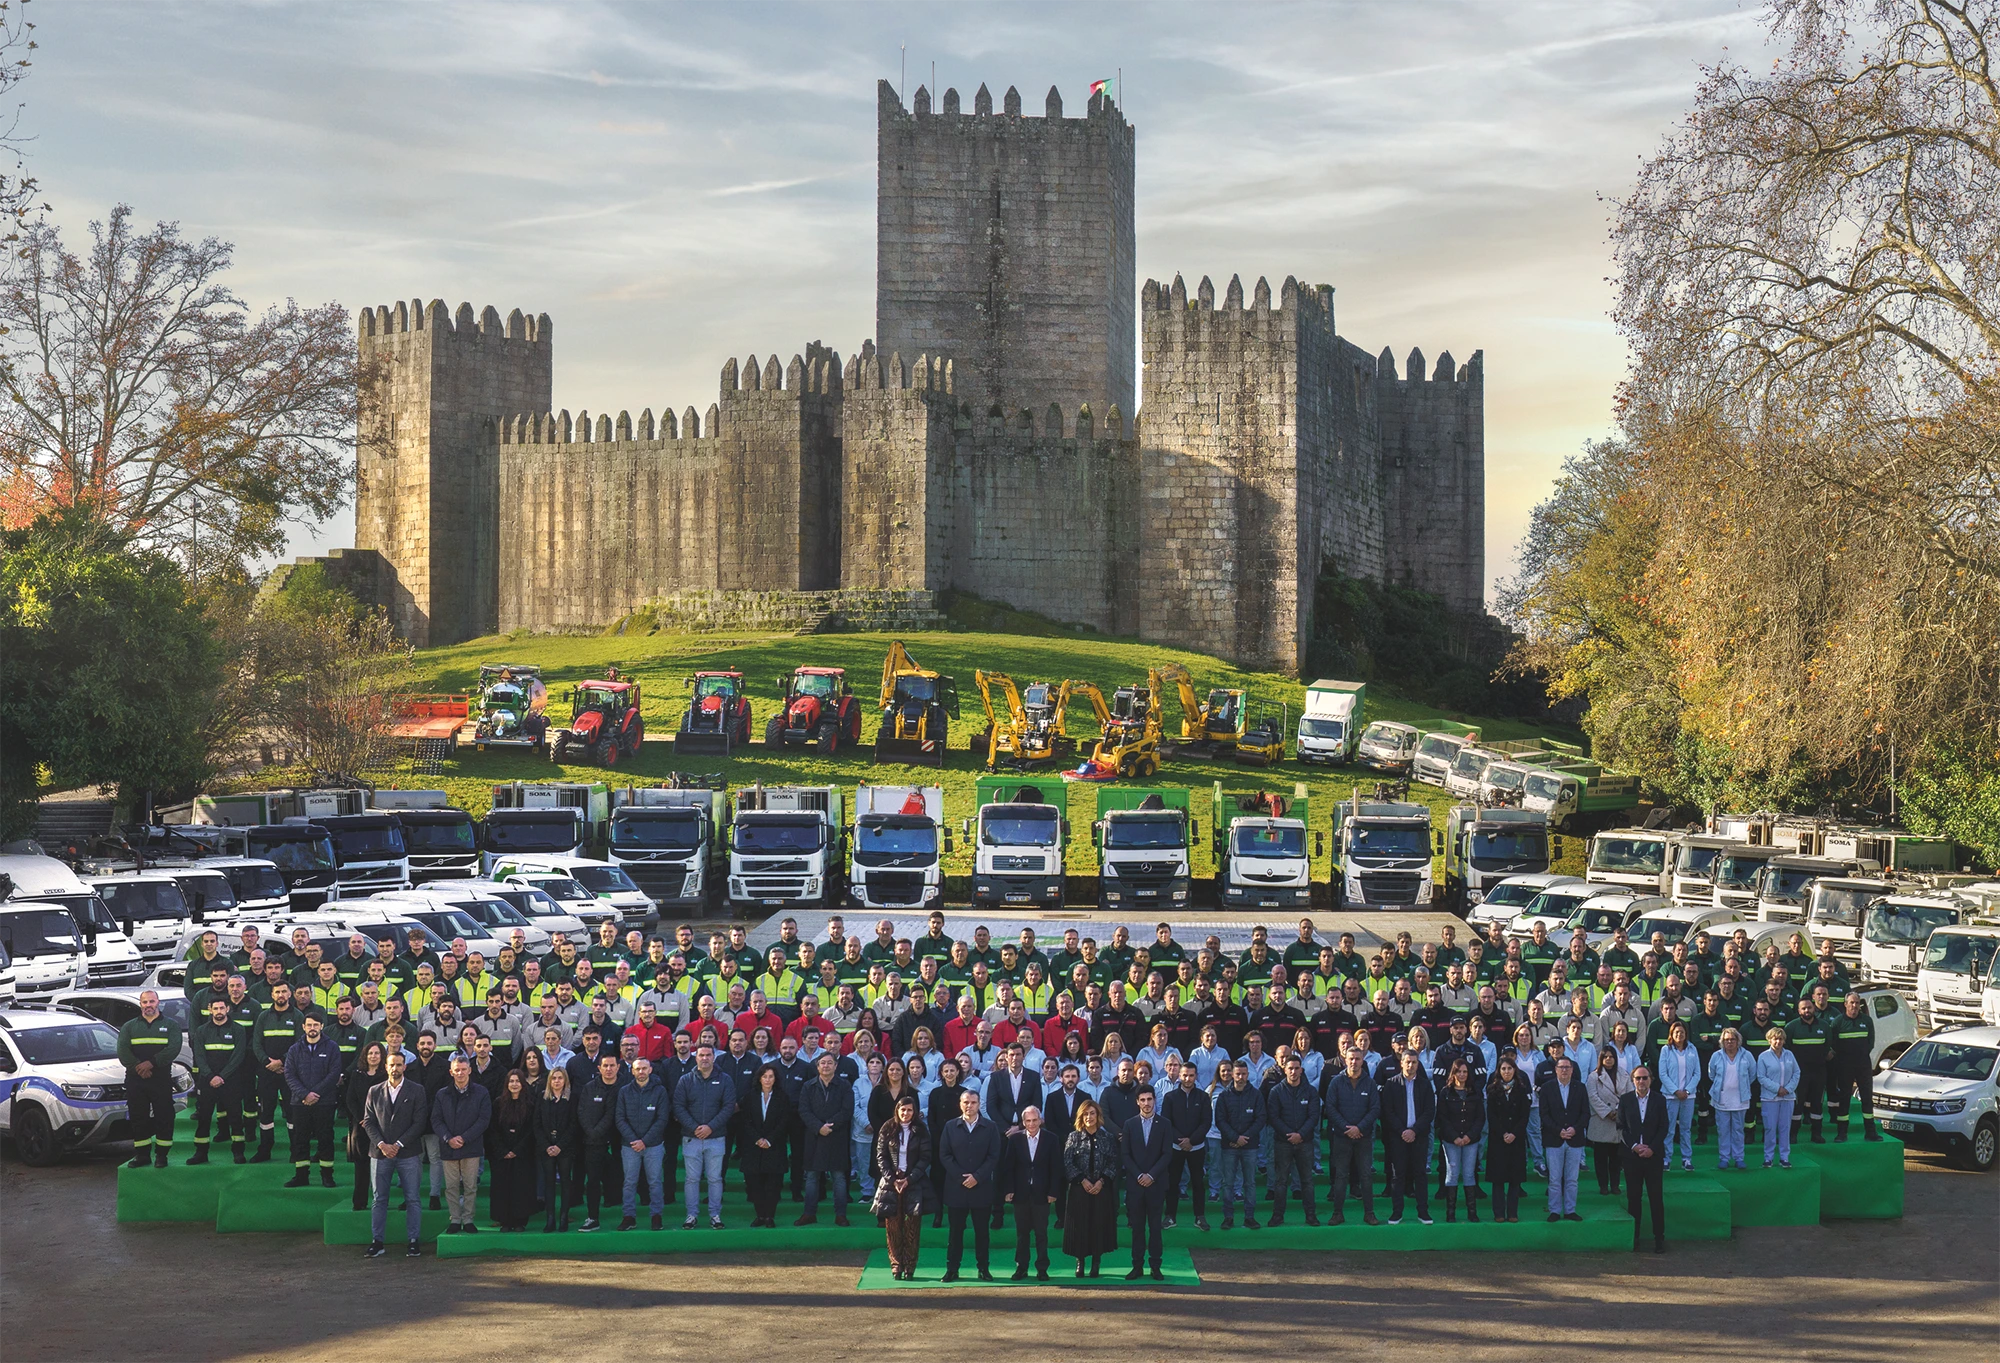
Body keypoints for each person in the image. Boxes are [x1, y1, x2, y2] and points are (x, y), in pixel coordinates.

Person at [363, 1050, 430, 1258]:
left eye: (399, 1065)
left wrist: (398, 1144)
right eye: (392, 1065)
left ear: (405, 1067)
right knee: (379, 1199)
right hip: (380, 1153)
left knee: (412, 1199)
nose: (395, 1069)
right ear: (386, 1067)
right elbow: (368, 1121)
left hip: (408, 1153)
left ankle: (413, 1241)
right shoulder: (374, 1090)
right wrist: (382, 1144)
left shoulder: (417, 1090)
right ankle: (377, 1241)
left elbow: (419, 1122)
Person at [115, 989, 183, 1169]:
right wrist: (139, 1067)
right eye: (145, 1002)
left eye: (151, 1002)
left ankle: (162, 1156)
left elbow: (173, 1049)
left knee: (164, 1116)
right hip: (135, 1080)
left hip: (160, 1079)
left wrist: (151, 1064)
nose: (148, 1006)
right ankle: (142, 1155)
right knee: (138, 1118)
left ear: (158, 1002)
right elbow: (123, 1052)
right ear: (140, 1004)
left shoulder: (171, 1025)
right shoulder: (129, 1027)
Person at [671, 1042, 736, 1229]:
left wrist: (710, 1127)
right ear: (696, 1057)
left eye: (708, 1055)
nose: (705, 1058)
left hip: (716, 1138)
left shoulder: (725, 1080)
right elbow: (679, 1106)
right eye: (701, 1055)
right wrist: (695, 1128)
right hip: (691, 1138)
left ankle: (715, 1215)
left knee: (715, 1178)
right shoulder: (685, 1080)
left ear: (714, 1057)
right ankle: (691, 1215)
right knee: (692, 1179)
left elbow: (728, 1107)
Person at [939, 1087, 1002, 1281]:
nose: (969, 1106)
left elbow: (994, 1156)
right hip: (956, 1189)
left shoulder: (990, 1127)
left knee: (982, 1233)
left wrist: (977, 1176)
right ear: (960, 1104)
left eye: (973, 1102)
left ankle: (983, 1268)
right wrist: (961, 1177)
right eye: (966, 1102)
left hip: (981, 1188)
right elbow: (945, 1155)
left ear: (979, 1104)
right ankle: (952, 1269)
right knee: (955, 1233)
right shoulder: (950, 1126)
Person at [431, 1055, 492, 1234]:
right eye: (456, 1070)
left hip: (471, 1147)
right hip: (448, 1147)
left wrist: (464, 1138)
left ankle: (468, 1219)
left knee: (470, 1186)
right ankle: (455, 1219)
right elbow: (436, 1119)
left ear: (470, 1070)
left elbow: (483, 1120)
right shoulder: (442, 1094)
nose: (460, 1073)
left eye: (463, 1069)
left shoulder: (481, 1092)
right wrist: (448, 1138)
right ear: (451, 1072)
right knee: (451, 1187)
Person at [281, 1012, 342, 1188]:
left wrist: (315, 1094)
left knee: (325, 1139)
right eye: (309, 1025)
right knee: (300, 1140)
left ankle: (327, 1176)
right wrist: (304, 1095)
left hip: (325, 1102)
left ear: (322, 1026)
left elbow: (334, 1074)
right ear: (303, 1027)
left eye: (316, 1025)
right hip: (300, 1103)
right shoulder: (294, 1049)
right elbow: (289, 1074)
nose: (312, 1028)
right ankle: (301, 1176)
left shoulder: (332, 1047)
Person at [1061, 1098, 1120, 1277]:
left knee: (1098, 1225)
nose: (1089, 1117)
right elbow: (1068, 1162)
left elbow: (1113, 1162)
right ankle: (1080, 1261)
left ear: (1098, 1115)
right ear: (1081, 1116)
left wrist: (1101, 1181)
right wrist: (1082, 1181)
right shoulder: (1074, 1137)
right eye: (1085, 1114)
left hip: (1101, 1189)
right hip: (1080, 1189)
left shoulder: (1107, 1137)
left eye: (1092, 1113)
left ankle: (1096, 1262)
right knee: (1080, 1226)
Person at [187, 996, 249, 1165]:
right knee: (204, 1117)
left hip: (231, 1081)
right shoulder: (201, 1031)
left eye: (222, 1008)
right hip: (207, 1081)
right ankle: (200, 1153)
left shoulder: (238, 1030)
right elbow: (199, 1056)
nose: (219, 1012)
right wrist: (210, 1076)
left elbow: (239, 1056)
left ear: (227, 1009)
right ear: (210, 1009)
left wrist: (222, 1076)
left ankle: (238, 1152)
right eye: (216, 1008)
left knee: (236, 1118)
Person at [874, 1091, 929, 1279]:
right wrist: (892, 1179)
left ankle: (910, 1266)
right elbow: (881, 1157)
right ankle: (896, 1264)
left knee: (913, 1226)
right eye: (903, 1110)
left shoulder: (921, 1130)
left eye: (909, 1110)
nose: (906, 1113)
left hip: (913, 1182)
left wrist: (909, 1179)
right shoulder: (887, 1128)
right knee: (893, 1226)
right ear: (897, 1110)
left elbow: (925, 1158)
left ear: (915, 1112)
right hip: (891, 1183)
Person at [1322, 1046, 1380, 1226]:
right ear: (1345, 1060)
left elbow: (1375, 1108)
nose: (1354, 1062)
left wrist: (1359, 1127)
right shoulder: (1336, 1082)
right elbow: (1330, 1108)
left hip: (1363, 1137)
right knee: (1340, 1176)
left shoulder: (1370, 1083)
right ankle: (1337, 1213)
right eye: (1351, 1059)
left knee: (1365, 1176)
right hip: (1341, 1136)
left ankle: (1369, 1213)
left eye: (1357, 1058)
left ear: (1363, 1060)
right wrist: (1346, 1128)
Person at [1003, 1103, 1060, 1280]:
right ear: (1023, 1122)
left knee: (1041, 1233)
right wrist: (1009, 1190)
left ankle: (1042, 1268)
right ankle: (1021, 1267)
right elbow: (1008, 1167)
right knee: (1022, 1233)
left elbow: (1056, 1168)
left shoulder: (1051, 1139)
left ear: (1041, 1120)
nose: (1032, 1124)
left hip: (1042, 1194)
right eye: (1028, 1121)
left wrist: (1053, 1191)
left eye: (1035, 1120)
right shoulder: (1015, 1140)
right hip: (1021, 1194)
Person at [796, 1051, 853, 1227]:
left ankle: (841, 1215)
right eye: (823, 1063)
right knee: (812, 1177)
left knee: (839, 1178)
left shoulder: (844, 1086)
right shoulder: (808, 1086)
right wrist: (818, 1127)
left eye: (830, 1063)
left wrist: (830, 1126)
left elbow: (847, 1110)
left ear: (836, 1066)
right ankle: (809, 1213)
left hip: (837, 1136)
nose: (826, 1066)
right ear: (817, 1066)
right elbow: (804, 1110)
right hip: (815, 1136)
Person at [615, 1057, 672, 1231]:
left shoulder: (660, 1091)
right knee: (629, 1182)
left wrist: (644, 1141)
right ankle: (629, 1217)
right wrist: (634, 1140)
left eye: (644, 1068)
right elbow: (620, 1118)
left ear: (650, 1070)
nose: (641, 1072)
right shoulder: (624, 1091)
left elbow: (662, 1119)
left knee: (654, 1181)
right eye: (637, 1069)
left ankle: (656, 1216)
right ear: (632, 1071)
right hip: (629, 1145)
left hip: (653, 1145)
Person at [1264, 1054, 1320, 1227]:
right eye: (1290, 1068)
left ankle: (1311, 1215)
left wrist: (1300, 1135)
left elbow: (1313, 1116)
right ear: (1284, 1069)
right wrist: (1290, 1134)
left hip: (1305, 1142)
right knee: (1280, 1182)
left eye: (1297, 1068)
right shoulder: (1276, 1091)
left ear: (1301, 1070)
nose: (1294, 1072)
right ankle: (1278, 1216)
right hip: (1283, 1142)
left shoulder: (1310, 1091)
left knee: (1307, 1181)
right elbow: (1273, 1116)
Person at [1122, 1085, 1171, 1279]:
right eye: (1142, 1100)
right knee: (1137, 1228)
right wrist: (1139, 1175)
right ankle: (1137, 1265)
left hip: (1156, 1185)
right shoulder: (1129, 1124)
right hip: (1135, 1186)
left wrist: (1151, 1175)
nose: (1146, 1103)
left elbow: (1167, 1154)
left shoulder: (1165, 1124)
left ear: (1154, 1100)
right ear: (1137, 1102)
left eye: (1149, 1099)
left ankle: (1156, 1266)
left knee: (1155, 1227)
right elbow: (1125, 1155)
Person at [1379, 1050, 1434, 1226]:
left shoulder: (1425, 1085)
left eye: (1414, 1062)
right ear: (1401, 1063)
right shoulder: (1391, 1084)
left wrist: (1414, 1131)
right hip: (1398, 1137)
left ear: (1418, 1064)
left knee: (1420, 1174)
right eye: (1408, 1062)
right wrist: (1403, 1130)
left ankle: (1423, 1212)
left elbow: (1429, 1112)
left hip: (1419, 1137)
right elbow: (1388, 1111)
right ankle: (1397, 1212)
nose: (1411, 1065)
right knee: (1398, 1175)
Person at [1618, 1064, 1668, 1253]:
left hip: (1653, 1157)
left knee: (1656, 1198)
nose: (1641, 1081)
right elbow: (1621, 1127)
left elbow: (1664, 1127)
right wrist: (1635, 1147)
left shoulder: (1659, 1100)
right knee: (1634, 1198)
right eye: (1638, 1078)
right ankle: (1635, 1237)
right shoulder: (1625, 1100)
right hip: (1632, 1156)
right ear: (1633, 1081)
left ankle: (1659, 1239)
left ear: (1650, 1080)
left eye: (1644, 1078)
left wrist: (1652, 1149)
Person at [576, 1052, 625, 1231]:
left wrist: (597, 1131)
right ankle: (592, 1218)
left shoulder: (626, 1086)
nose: (609, 1069)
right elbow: (581, 1111)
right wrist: (592, 1132)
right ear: (599, 1068)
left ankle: (627, 1217)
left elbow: (612, 1115)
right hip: (593, 1142)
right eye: (605, 1066)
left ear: (618, 1067)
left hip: (619, 1141)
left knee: (620, 1179)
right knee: (593, 1181)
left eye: (612, 1066)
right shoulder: (589, 1087)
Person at [1161, 1063, 1212, 1231]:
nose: (1187, 1078)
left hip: (1196, 1148)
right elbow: (1166, 1122)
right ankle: (1170, 1216)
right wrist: (1181, 1141)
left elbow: (1206, 1123)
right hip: (1175, 1148)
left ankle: (1199, 1217)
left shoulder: (1203, 1097)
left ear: (1196, 1076)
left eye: (1191, 1075)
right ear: (1179, 1076)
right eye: (1184, 1075)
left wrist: (1192, 1141)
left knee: (1198, 1183)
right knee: (1172, 1182)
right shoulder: (1170, 1097)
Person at [488, 1069, 540, 1232]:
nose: (514, 1084)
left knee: (521, 1187)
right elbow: (493, 1129)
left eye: (517, 1081)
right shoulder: (498, 1103)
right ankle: (505, 1221)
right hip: (502, 1154)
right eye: (511, 1081)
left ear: (523, 1084)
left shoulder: (531, 1104)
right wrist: (504, 1150)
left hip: (523, 1154)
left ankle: (520, 1221)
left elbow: (532, 1129)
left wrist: (518, 1150)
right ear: (507, 1084)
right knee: (502, 1187)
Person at [1214, 1060, 1263, 1230]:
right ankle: (1228, 1217)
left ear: (1248, 1075)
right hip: (1229, 1146)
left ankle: (1249, 1217)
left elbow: (1260, 1119)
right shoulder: (1224, 1096)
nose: (1240, 1077)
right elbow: (1220, 1120)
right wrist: (1235, 1138)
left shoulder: (1256, 1095)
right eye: (1237, 1074)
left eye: (1243, 1074)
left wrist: (1245, 1138)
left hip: (1250, 1146)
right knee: (1228, 1183)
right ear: (1232, 1075)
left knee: (1249, 1183)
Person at [1539, 1055, 1589, 1222]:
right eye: (1561, 1067)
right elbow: (1544, 1115)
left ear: (1572, 1070)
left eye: (1568, 1067)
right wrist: (1558, 1130)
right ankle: (1554, 1210)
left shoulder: (1580, 1088)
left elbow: (1585, 1113)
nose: (1565, 1070)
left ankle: (1569, 1210)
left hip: (1575, 1140)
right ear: (1556, 1069)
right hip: (1554, 1139)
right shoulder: (1547, 1088)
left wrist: (1574, 1129)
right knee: (1554, 1179)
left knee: (1572, 1179)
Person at [740, 1064, 791, 1228]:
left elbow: (784, 1121)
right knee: (755, 1184)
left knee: (773, 1185)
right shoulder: (750, 1096)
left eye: (771, 1076)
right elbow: (745, 1121)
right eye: (765, 1076)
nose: (768, 1079)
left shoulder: (783, 1097)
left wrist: (769, 1140)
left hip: (774, 1146)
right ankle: (760, 1215)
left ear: (775, 1079)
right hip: (753, 1147)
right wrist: (757, 1139)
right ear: (759, 1078)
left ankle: (770, 1216)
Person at [1435, 1057, 1485, 1223]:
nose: (1462, 1074)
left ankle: (1472, 1213)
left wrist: (1469, 1136)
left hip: (1471, 1139)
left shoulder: (1475, 1092)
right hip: (1451, 1140)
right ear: (1453, 1073)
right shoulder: (1445, 1092)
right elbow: (1442, 1117)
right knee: (1452, 1174)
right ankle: (1451, 1214)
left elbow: (1480, 1118)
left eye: (1465, 1071)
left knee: (1469, 1174)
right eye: (1459, 1071)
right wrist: (1454, 1137)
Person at [1484, 1054, 1532, 1223]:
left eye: (1509, 1068)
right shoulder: (1492, 1090)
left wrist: (1514, 1133)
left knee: (1514, 1179)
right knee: (1498, 1179)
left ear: (1515, 1070)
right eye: (1503, 1068)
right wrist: (1503, 1133)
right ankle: (1498, 1213)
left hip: (1516, 1140)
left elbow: (1524, 1116)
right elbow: (1491, 1116)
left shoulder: (1522, 1089)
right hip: (1498, 1140)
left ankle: (1512, 1212)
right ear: (1499, 1071)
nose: (1506, 1072)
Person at [534, 1067, 582, 1232]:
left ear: (565, 1080)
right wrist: (547, 1145)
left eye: (560, 1078)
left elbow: (574, 1124)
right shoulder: (542, 1097)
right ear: (549, 1081)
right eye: (554, 1078)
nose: (557, 1081)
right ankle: (550, 1219)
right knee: (548, 1183)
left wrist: (560, 1146)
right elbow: (537, 1124)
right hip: (546, 1147)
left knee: (565, 1182)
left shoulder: (572, 1099)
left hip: (565, 1148)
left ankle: (563, 1217)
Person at [344, 1043, 387, 1212]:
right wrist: (363, 1118)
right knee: (361, 1165)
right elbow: (350, 1099)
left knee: (381, 1167)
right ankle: (359, 1201)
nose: (373, 1056)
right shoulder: (357, 1074)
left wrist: (374, 1120)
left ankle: (381, 1201)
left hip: (381, 1126)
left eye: (377, 1053)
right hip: (360, 1126)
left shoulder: (385, 1075)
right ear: (365, 1056)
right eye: (370, 1053)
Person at [1656, 1019, 1701, 1171]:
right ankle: (1666, 1159)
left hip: (1689, 1096)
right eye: (1676, 1032)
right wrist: (1675, 1091)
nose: (1679, 1035)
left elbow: (1697, 1073)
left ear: (1686, 1034)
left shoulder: (1692, 1049)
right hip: (1670, 1096)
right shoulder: (1665, 1050)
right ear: (1671, 1034)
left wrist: (1687, 1091)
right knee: (1668, 1129)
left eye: (1682, 1032)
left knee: (1686, 1128)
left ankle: (1686, 1159)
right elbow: (1663, 1073)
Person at [1708, 1028, 1756, 1171]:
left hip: (1740, 1099)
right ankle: (1724, 1158)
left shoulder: (1747, 1055)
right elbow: (1711, 1074)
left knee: (1738, 1130)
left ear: (1738, 1041)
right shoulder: (1716, 1056)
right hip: (1721, 1099)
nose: (1729, 1042)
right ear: (1722, 1042)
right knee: (1723, 1130)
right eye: (1726, 1040)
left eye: (1732, 1039)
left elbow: (1752, 1074)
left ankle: (1739, 1158)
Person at [1586, 1046, 1631, 1196]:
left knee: (1616, 1158)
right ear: (1601, 1059)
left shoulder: (1624, 1074)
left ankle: (1615, 1185)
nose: (1609, 1059)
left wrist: (1619, 1112)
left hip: (1618, 1121)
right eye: (1606, 1057)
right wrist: (1608, 1112)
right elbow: (1592, 1097)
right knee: (1600, 1158)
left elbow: (1630, 1095)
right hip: (1601, 1120)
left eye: (1611, 1057)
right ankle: (1603, 1186)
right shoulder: (1593, 1076)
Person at [1757, 1026, 1801, 1169]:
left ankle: (1784, 1157)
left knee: (1785, 1127)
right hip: (1770, 1098)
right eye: (1775, 1038)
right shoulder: (1763, 1056)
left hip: (1787, 1098)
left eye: (1781, 1039)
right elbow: (1761, 1077)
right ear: (1769, 1040)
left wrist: (1787, 1089)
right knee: (1770, 1128)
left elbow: (1796, 1073)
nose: (1778, 1041)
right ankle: (1768, 1158)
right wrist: (1777, 1089)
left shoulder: (1789, 1055)